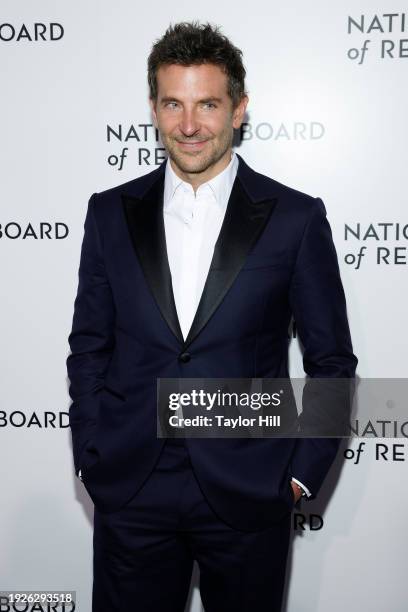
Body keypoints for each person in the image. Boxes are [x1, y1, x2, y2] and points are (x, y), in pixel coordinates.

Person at [66, 21, 358, 612]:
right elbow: (89, 346)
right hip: (133, 486)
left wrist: (301, 475)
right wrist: (92, 451)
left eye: (208, 104)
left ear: (239, 109)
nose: (190, 125)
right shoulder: (108, 214)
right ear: (153, 108)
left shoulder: (295, 219)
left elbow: (331, 360)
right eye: (173, 103)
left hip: (250, 488)